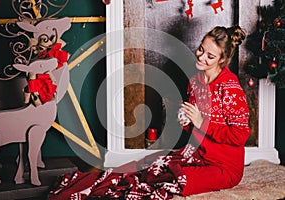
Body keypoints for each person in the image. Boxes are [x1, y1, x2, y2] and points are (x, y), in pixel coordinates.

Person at [47, 25, 250, 199]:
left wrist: (201, 122)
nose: (201, 56)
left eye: (210, 56)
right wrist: (187, 122)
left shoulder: (230, 89)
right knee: (151, 170)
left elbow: (239, 136)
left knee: (177, 182)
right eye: (200, 49)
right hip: (197, 154)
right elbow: (196, 130)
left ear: (222, 60)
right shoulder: (195, 81)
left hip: (224, 167)